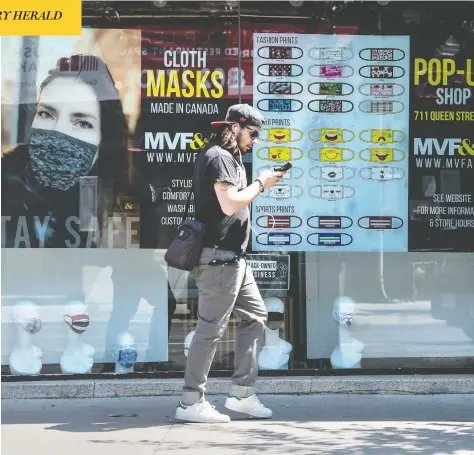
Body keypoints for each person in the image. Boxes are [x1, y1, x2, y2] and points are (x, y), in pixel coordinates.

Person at [175, 104, 287, 423]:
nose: (255, 140)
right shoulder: (220, 158)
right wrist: (261, 184)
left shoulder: (229, 157)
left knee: (255, 316)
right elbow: (228, 204)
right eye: (253, 133)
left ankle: (241, 394)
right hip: (219, 258)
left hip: (234, 258)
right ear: (236, 128)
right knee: (210, 329)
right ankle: (190, 402)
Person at [1, 54, 155, 248]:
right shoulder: (6, 178)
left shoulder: (124, 191)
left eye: (82, 123)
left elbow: (134, 271)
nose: (58, 132)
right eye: (46, 114)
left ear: (104, 135)